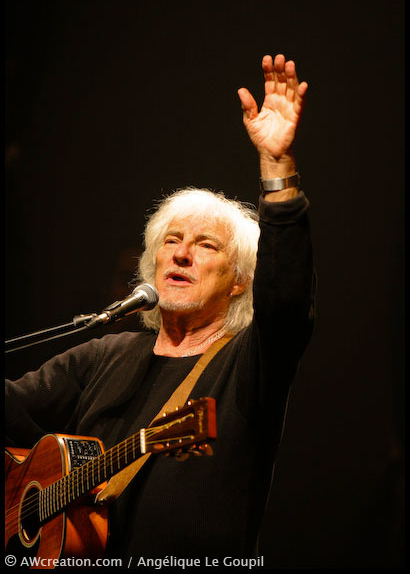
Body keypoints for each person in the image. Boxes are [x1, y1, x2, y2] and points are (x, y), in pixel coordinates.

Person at [6, 53, 315, 564]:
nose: (182, 253)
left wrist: (277, 167)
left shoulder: (247, 364)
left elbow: (286, 298)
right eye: (171, 241)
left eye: (206, 245)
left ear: (240, 281)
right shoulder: (104, 355)